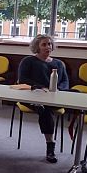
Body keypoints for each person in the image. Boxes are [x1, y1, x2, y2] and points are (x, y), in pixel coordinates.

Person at [18, 34, 69, 163]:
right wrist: (41, 87)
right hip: (32, 95)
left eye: (50, 44)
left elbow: (65, 82)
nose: (48, 47)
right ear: (37, 47)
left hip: (54, 96)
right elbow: (22, 79)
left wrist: (59, 89)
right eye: (44, 44)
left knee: (76, 92)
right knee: (45, 110)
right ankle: (50, 146)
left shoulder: (59, 63)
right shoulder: (28, 61)